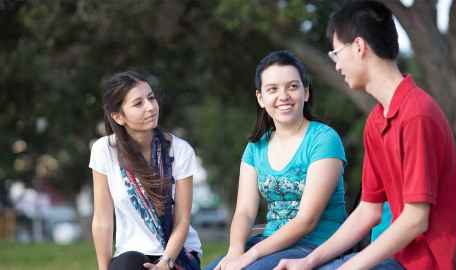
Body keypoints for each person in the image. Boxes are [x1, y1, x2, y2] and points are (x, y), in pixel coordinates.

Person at [274, 1, 456, 270]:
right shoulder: (377, 120)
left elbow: (415, 219)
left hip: (425, 264)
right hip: (396, 258)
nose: (337, 65)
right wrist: (308, 261)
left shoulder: (417, 115)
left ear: (359, 47)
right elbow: (368, 210)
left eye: (336, 53)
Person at [205, 50, 348, 270]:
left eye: (292, 86)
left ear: (306, 92)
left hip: (315, 245)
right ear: (261, 98)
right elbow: (244, 211)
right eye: (272, 89)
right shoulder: (255, 148)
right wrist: (235, 252)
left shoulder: (324, 139)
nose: (283, 96)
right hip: (269, 244)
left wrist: (250, 255)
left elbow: (306, 220)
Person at [90, 71, 202, 270]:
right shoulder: (104, 150)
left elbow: (182, 220)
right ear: (118, 116)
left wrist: (164, 264)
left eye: (151, 98)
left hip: (176, 255)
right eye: (138, 103)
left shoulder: (180, 150)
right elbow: (102, 220)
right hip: (130, 255)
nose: (150, 107)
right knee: (127, 264)